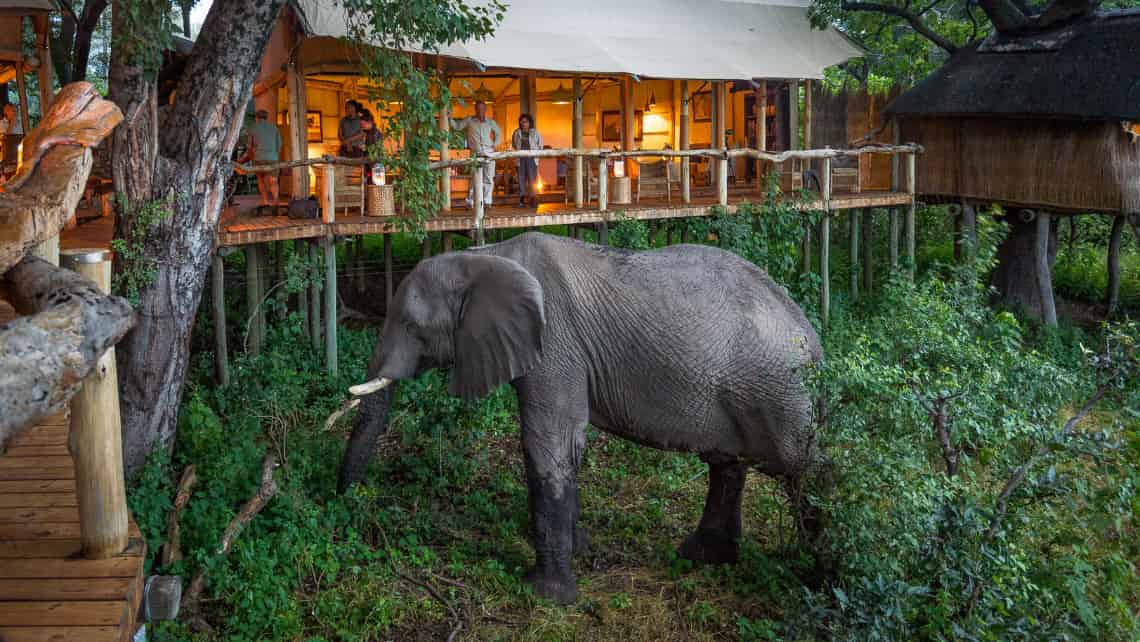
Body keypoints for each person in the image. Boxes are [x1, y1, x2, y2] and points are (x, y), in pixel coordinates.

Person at [449, 100, 501, 209]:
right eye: (478, 108)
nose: (480, 110)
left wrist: (494, 145)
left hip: (489, 153)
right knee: (474, 178)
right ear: (475, 109)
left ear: (485, 109)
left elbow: (498, 133)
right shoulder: (470, 120)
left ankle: (487, 202)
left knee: (489, 178)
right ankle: (470, 202)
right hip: (475, 153)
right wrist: (449, 118)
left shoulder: (490, 122)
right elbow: (457, 127)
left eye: (482, 108)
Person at [245, 109, 282, 208]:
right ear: (267, 117)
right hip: (273, 158)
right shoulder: (274, 128)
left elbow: (249, 147)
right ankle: (275, 202)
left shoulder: (253, 128)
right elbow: (279, 146)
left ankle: (265, 201)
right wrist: (274, 155)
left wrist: (252, 158)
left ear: (257, 118)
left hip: (259, 158)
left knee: (260, 179)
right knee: (273, 181)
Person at [511, 113, 543, 208]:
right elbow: (514, 144)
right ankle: (522, 201)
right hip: (520, 158)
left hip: (531, 158)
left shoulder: (535, 133)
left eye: (525, 121)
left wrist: (536, 155)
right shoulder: (517, 132)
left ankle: (533, 200)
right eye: (522, 121)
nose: (523, 123)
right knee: (521, 179)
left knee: (532, 179)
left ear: (529, 123)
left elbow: (540, 144)